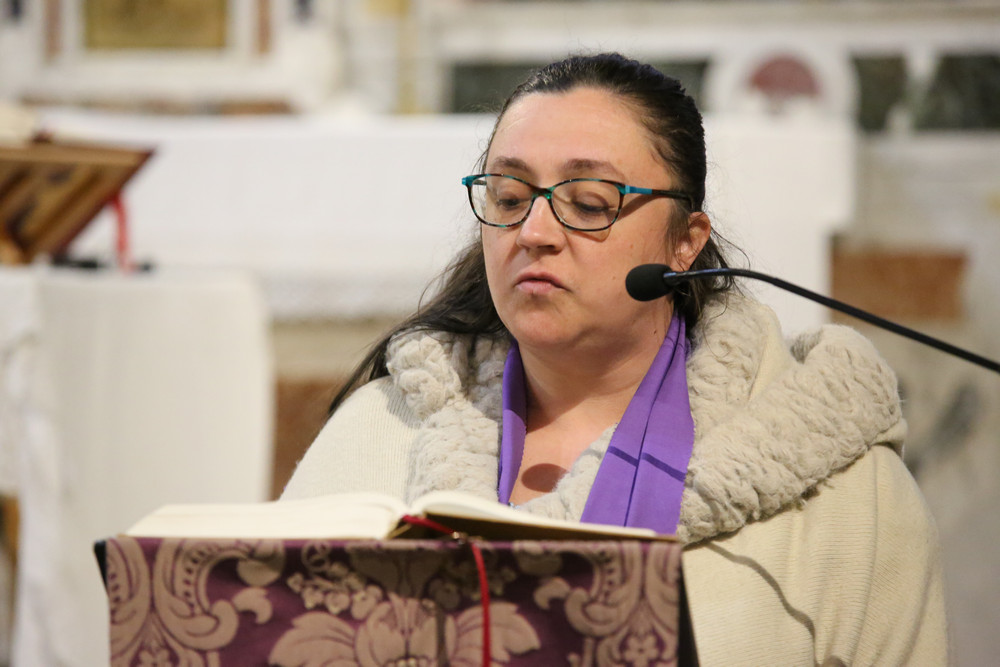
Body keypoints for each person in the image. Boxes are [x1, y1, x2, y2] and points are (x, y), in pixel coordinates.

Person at [282, 53, 948, 664]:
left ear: (685, 242)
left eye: (589, 204)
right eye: (509, 198)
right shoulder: (378, 432)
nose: (533, 232)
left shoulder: (847, 495)